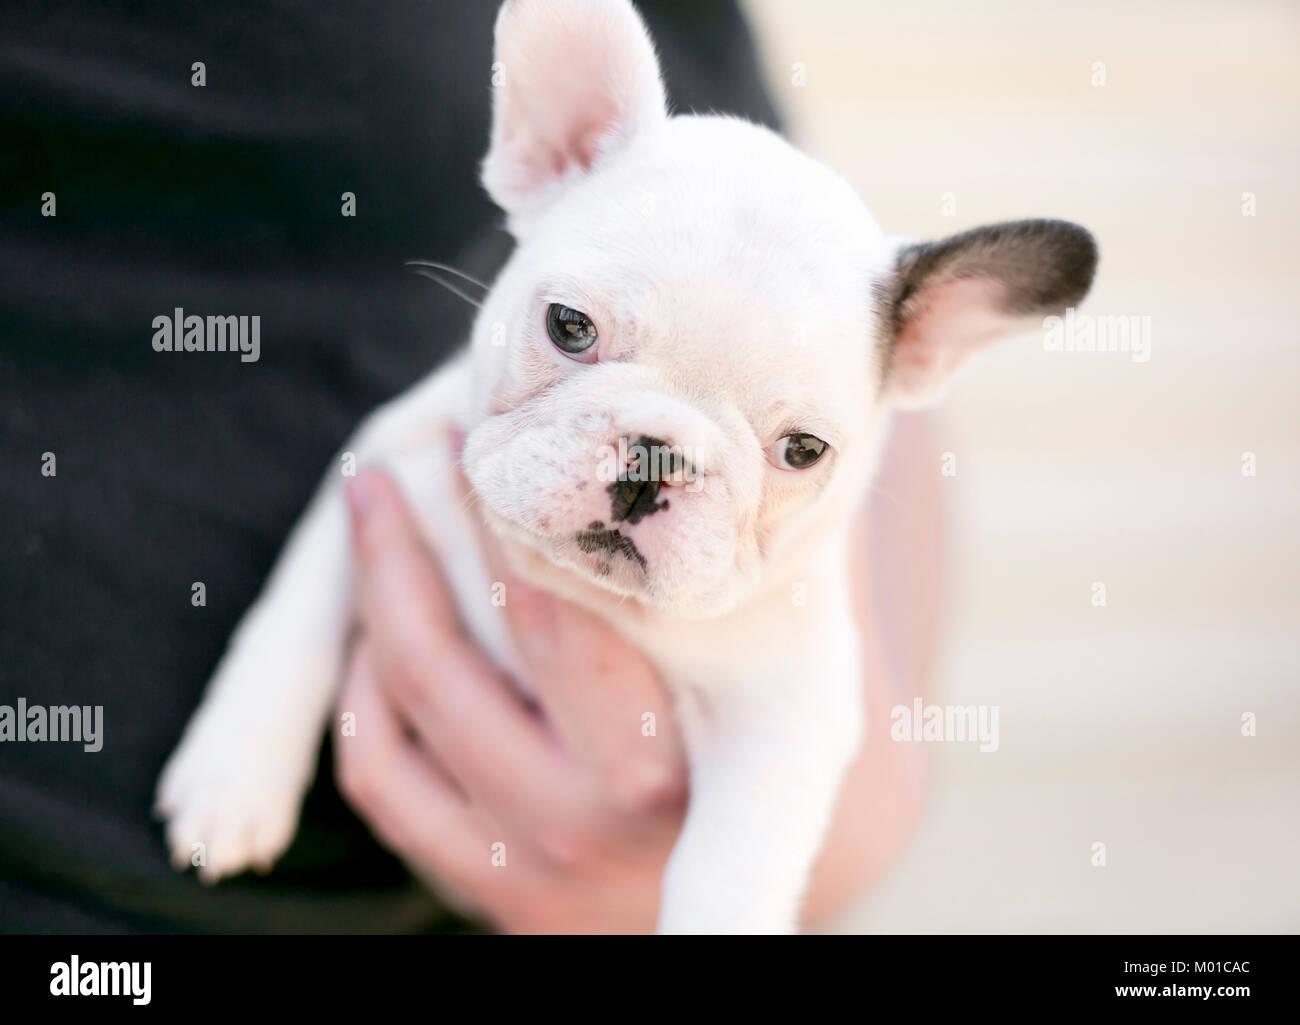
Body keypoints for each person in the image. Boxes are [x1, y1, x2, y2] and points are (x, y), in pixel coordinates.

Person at [0, 0, 940, 932]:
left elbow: (799, 747)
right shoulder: (460, 406)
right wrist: (258, 726)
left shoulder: (816, 273)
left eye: (795, 447)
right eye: (576, 333)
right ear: (549, 151)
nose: (651, 470)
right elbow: (370, 481)